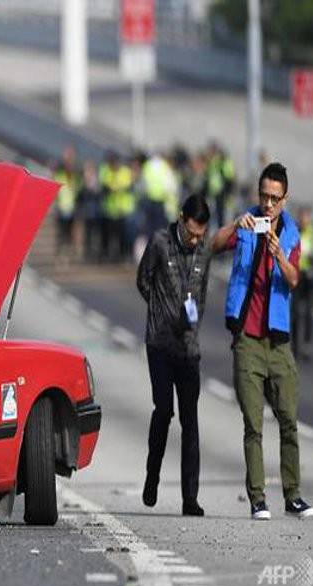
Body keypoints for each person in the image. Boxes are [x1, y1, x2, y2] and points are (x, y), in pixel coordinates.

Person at [210, 162, 313, 520]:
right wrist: (234, 225)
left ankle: (293, 494)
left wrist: (278, 254)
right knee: (253, 423)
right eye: (264, 196)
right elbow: (213, 244)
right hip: (248, 340)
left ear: (284, 200)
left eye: (274, 198)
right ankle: (257, 498)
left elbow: (294, 279)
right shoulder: (247, 223)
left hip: (278, 341)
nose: (268, 205)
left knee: (288, 419)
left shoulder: (291, 236)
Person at [137, 194, 212, 516]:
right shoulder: (159, 242)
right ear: (181, 219)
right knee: (164, 410)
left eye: (201, 234)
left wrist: (192, 325)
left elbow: (204, 293)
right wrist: (160, 310)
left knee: (190, 422)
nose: (196, 239)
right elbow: (143, 281)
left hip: (188, 349)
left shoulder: (204, 253)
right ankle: (152, 476)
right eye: (192, 232)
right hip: (159, 344)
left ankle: (189, 498)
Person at [292, 205, 313, 360]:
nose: (304, 220)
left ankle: (306, 344)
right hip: (296, 275)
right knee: (295, 312)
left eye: (306, 217)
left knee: (308, 312)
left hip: (309, 277)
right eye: (302, 217)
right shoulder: (294, 232)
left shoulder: (312, 232)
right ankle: (295, 344)